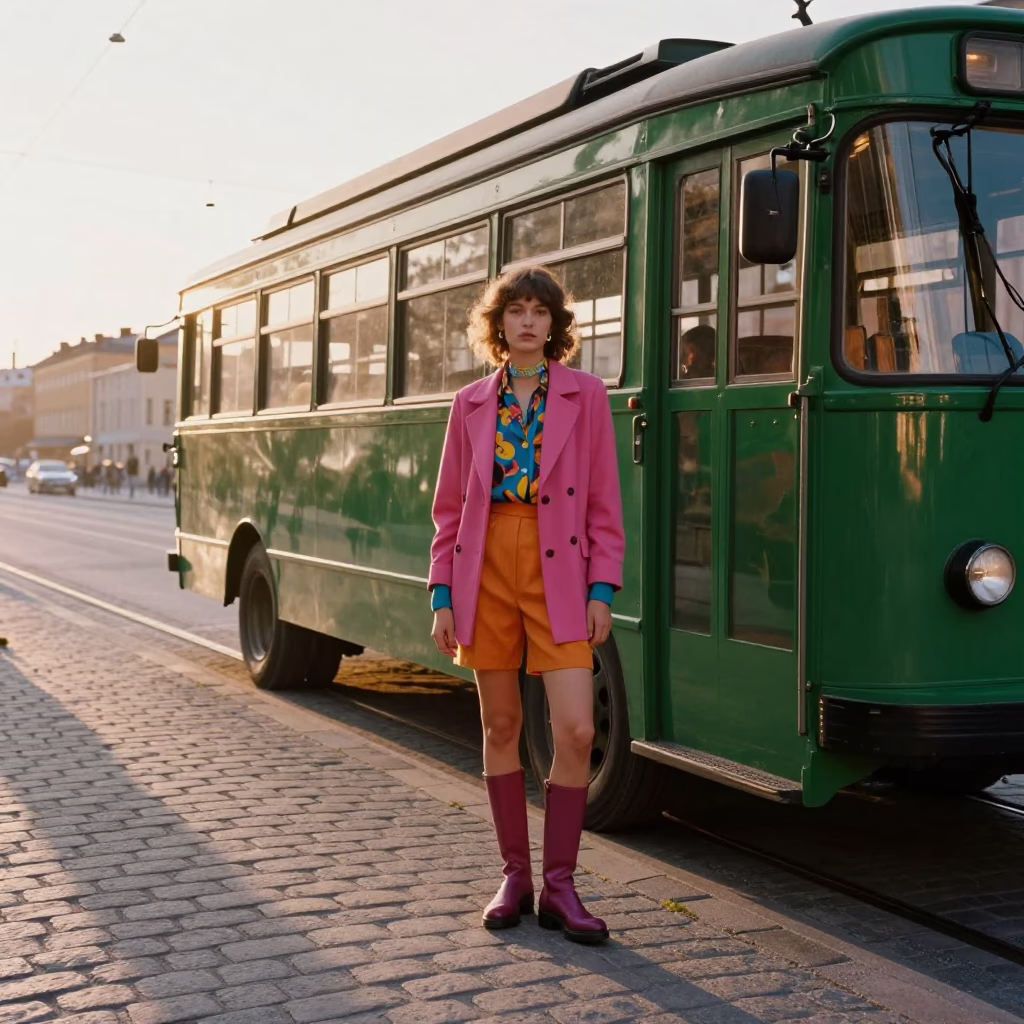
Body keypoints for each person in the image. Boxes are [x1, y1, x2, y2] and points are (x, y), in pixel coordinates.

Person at [428, 266, 625, 945]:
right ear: (499, 323)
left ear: (556, 325)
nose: (529, 321)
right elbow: (449, 509)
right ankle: (516, 876)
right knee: (501, 725)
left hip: (561, 570)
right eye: (516, 309)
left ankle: (561, 885)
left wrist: (603, 588)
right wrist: (442, 595)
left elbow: (604, 503)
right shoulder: (470, 405)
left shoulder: (587, 396)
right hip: (485, 569)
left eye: (541, 310)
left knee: (575, 730)